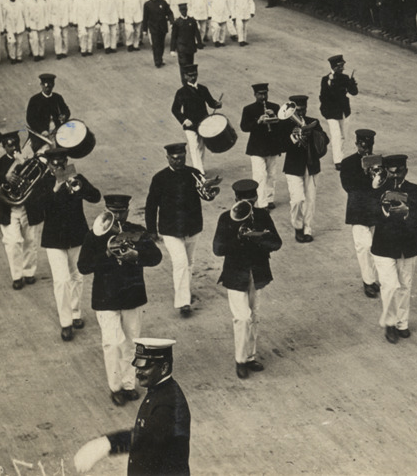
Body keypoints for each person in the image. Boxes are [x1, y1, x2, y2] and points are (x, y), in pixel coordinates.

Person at [78, 195, 163, 406]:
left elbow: (156, 257)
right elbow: (83, 266)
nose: (117, 216)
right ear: (106, 211)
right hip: (106, 297)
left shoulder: (137, 231)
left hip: (132, 296)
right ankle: (115, 387)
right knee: (112, 343)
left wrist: (137, 256)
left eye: (121, 212)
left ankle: (128, 385)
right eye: (112, 212)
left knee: (131, 342)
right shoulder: (94, 235)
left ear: (127, 211)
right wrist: (107, 254)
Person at [75, 339, 191, 475]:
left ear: (164, 368)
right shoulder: (159, 390)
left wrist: (107, 444)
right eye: (137, 367)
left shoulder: (167, 403)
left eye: (145, 367)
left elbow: (146, 438)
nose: (137, 373)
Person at [212, 179, 282, 379]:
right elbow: (218, 249)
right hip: (235, 274)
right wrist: (238, 238)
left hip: (256, 272)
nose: (248, 205)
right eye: (244, 201)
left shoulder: (262, 216)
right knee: (242, 317)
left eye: (251, 200)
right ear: (236, 199)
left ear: (256, 198)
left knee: (254, 316)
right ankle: (240, 360)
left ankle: (250, 357)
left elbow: (276, 243)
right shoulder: (226, 218)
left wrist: (259, 237)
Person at [146, 143, 215, 317]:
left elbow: (207, 197)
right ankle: (184, 302)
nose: (178, 162)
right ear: (168, 158)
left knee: (189, 263)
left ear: (185, 156)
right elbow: (151, 205)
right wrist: (151, 230)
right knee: (181, 263)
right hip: (170, 230)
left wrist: (210, 190)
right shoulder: (159, 178)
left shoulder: (194, 174)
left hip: (193, 228)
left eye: (181, 158)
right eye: (174, 159)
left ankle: (185, 291)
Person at [40, 148, 101, 341]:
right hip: (54, 239)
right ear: (49, 165)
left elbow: (96, 197)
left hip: (76, 235)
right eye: (55, 163)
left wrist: (80, 187)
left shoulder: (77, 177)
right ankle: (65, 323)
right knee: (61, 281)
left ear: (66, 162)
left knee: (77, 276)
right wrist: (56, 188)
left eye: (62, 162)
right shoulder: (43, 181)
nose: (59, 166)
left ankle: (75, 313)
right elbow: (39, 208)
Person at [371, 154, 417, 343]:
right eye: (391, 173)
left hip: (407, 246)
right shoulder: (377, 190)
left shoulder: (415, 190)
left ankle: (402, 323)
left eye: (399, 172)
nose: (395, 176)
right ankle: (390, 323)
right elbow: (368, 213)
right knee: (390, 285)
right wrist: (382, 208)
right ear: (386, 172)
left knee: (405, 286)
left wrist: (408, 211)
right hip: (384, 246)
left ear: (406, 171)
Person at [0, 131, 45, 289]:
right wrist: (4, 177)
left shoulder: (29, 160)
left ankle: (29, 272)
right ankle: (17, 276)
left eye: (16, 144)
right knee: (12, 243)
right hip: (8, 209)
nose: (14, 148)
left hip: (28, 207)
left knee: (30, 241)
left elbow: (41, 179)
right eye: (9, 145)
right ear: (4, 147)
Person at [339, 129, 382, 297]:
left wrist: (378, 175)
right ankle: (368, 281)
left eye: (369, 147)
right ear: (357, 144)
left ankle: (374, 278)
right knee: (364, 246)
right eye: (363, 146)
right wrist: (364, 175)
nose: (366, 150)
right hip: (357, 210)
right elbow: (348, 186)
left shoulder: (379, 162)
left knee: (376, 246)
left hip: (375, 209)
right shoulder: (348, 163)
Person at [280, 95, 328, 242]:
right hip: (293, 167)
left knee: (310, 200)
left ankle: (307, 229)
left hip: (311, 166)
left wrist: (312, 133)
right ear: (293, 110)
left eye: (303, 109)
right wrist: (293, 137)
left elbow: (325, 140)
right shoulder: (285, 124)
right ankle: (298, 227)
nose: (301, 113)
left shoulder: (314, 122)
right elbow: (280, 146)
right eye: (298, 110)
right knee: (297, 199)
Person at [171, 64, 222, 175]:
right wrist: (184, 120)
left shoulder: (203, 89)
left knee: (201, 147)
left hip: (203, 123)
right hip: (190, 125)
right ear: (185, 76)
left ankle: (200, 168)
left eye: (195, 75)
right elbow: (175, 109)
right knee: (194, 147)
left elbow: (211, 103)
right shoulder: (181, 92)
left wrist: (217, 104)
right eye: (190, 75)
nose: (193, 77)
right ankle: (199, 171)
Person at [239, 83, 283, 210]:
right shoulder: (248, 109)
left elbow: (281, 126)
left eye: (265, 94)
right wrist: (258, 121)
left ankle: (269, 199)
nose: (263, 97)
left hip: (272, 147)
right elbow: (244, 127)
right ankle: (262, 203)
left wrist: (274, 116)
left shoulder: (275, 107)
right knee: (260, 176)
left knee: (272, 175)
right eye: (260, 94)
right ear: (255, 95)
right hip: (257, 148)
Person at [319, 54, 359, 169]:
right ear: (334, 67)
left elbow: (354, 92)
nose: (343, 68)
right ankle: (338, 161)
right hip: (331, 112)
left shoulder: (345, 78)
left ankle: (341, 157)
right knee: (336, 135)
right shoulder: (326, 79)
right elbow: (323, 97)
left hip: (344, 111)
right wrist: (331, 85)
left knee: (343, 136)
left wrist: (352, 84)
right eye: (340, 66)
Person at [26, 73, 71, 137]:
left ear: (53, 85)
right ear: (41, 85)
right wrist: (42, 131)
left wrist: (64, 116)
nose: (47, 88)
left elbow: (66, 111)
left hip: (58, 132)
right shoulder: (34, 100)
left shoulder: (58, 97)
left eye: (50, 86)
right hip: (41, 134)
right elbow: (30, 119)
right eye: (45, 85)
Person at [143, 0, 173, 68]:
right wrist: (144, 29)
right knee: (155, 44)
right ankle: (157, 61)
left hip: (162, 27)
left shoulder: (163, 2)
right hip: (153, 28)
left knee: (161, 44)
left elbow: (169, 13)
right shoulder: (147, 4)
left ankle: (160, 58)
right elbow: (145, 17)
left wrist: (172, 21)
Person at [170, 2, 203, 67]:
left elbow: (196, 32)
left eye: (185, 9)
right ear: (180, 11)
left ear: (187, 10)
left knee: (190, 64)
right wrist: (172, 49)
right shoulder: (177, 22)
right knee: (183, 64)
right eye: (182, 10)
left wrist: (199, 43)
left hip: (190, 46)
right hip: (181, 47)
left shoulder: (192, 21)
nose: (184, 11)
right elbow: (174, 36)